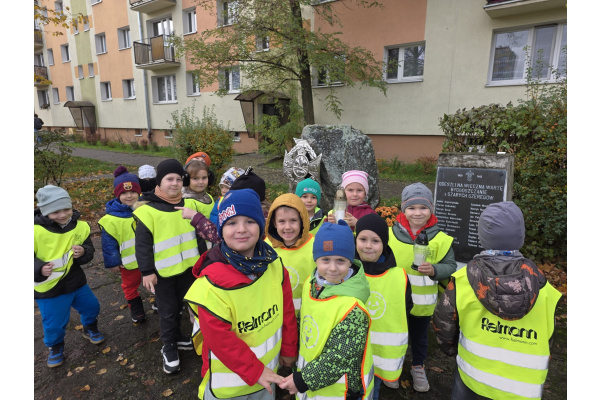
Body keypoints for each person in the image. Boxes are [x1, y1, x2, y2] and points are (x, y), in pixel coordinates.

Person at [432, 201, 562, 400]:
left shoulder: (462, 281)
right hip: (523, 387)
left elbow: (444, 325)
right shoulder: (544, 288)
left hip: (473, 377)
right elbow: (549, 337)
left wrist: (451, 350)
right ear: (521, 236)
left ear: (482, 237)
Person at [184, 189, 299, 400]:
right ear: (221, 229)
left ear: (261, 226)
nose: (242, 229)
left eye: (250, 221)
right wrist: (256, 370)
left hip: (268, 376)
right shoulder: (211, 284)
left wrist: (289, 348)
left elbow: (287, 310)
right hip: (228, 388)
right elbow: (219, 339)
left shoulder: (273, 264)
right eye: (231, 223)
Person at [279, 220, 374, 400]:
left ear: (350, 261)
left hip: (341, 391)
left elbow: (340, 357)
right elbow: (304, 320)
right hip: (311, 383)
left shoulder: (353, 308)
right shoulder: (311, 284)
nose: (332, 268)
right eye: (325, 260)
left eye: (340, 260)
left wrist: (302, 380)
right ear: (316, 259)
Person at [133, 159, 207, 374]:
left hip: (188, 270)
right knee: (168, 311)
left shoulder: (190, 205)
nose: (175, 183)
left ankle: (178, 336)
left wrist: (204, 263)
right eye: (169, 179)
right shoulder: (147, 212)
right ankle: (169, 347)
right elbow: (143, 246)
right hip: (163, 274)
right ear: (159, 182)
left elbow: (199, 237)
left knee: (184, 307)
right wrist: (147, 272)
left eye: (178, 179)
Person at [388, 182, 456, 392]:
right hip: (395, 301)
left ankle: (418, 366)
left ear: (431, 209)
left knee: (419, 337)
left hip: (422, 303)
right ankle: (393, 367)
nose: (417, 213)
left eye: (423, 207)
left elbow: (451, 266)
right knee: (394, 336)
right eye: (411, 208)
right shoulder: (389, 235)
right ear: (403, 209)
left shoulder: (441, 239)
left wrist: (435, 269)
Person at [35, 185, 104, 368]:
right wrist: (39, 269)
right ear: (45, 211)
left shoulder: (79, 226)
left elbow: (89, 249)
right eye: (55, 212)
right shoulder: (34, 231)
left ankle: (89, 327)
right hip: (50, 289)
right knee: (54, 323)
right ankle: (56, 347)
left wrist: (83, 252)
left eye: (66, 209)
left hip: (75, 282)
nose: (63, 215)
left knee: (92, 307)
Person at [355, 213, 412, 398]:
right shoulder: (345, 270)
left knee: (372, 389)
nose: (368, 246)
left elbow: (405, 308)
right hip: (352, 350)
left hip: (380, 353)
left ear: (384, 244)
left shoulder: (398, 276)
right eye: (363, 239)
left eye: (375, 241)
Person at [98, 166, 147, 323]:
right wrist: (113, 262)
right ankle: (136, 307)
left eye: (133, 192)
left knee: (155, 280)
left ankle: (160, 301)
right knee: (131, 285)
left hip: (149, 256)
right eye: (124, 193)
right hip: (128, 261)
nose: (129, 196)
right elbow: (108, 243)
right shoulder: (111, 219)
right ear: (117, 194)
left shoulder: (146, 209)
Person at [265, 193, 316, 316]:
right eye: (281, 221)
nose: (287, 227)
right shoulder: (267, 246)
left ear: (302, 220)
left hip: (306, 314)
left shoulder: (314, 246)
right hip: (276, 314)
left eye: (293, 221)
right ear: (274, 223)